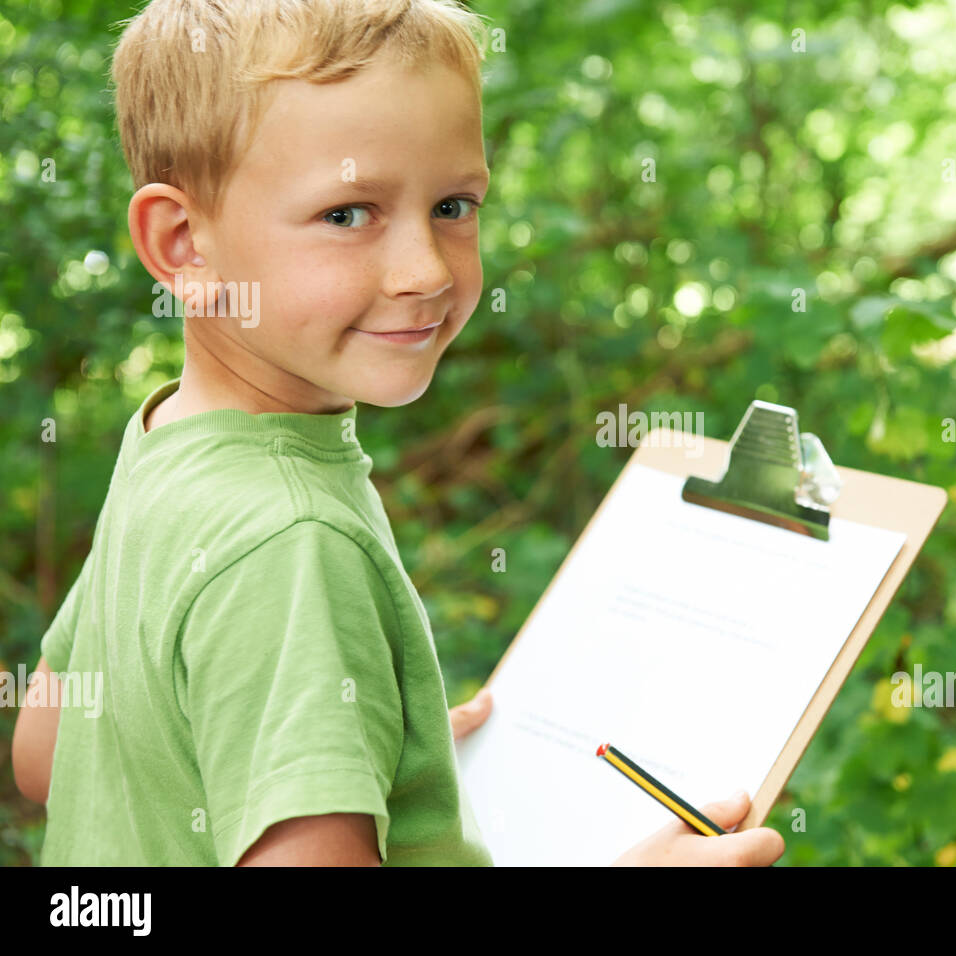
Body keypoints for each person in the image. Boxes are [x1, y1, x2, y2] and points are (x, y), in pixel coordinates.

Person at [11, 0, 784, 868]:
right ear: (184, 244)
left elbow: (47, 756)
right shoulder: (293, 537)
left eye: (454, 204)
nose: (424, 270)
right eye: (348, 214)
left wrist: (357, 748)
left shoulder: (166, 439)